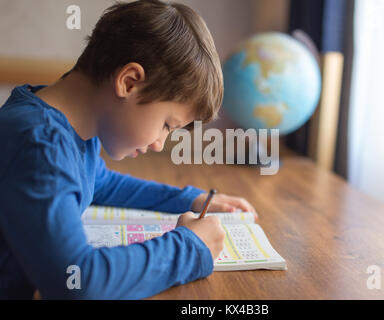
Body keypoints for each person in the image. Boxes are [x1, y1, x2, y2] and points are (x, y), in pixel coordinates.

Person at [0, 0, 257, 299]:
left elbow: (100, 182)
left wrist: (190, 199)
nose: (161, 142)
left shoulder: (66, 128)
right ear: (130, 82)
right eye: (166, 125)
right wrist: (189, 247)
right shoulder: (39, 146)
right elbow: (78, 283)